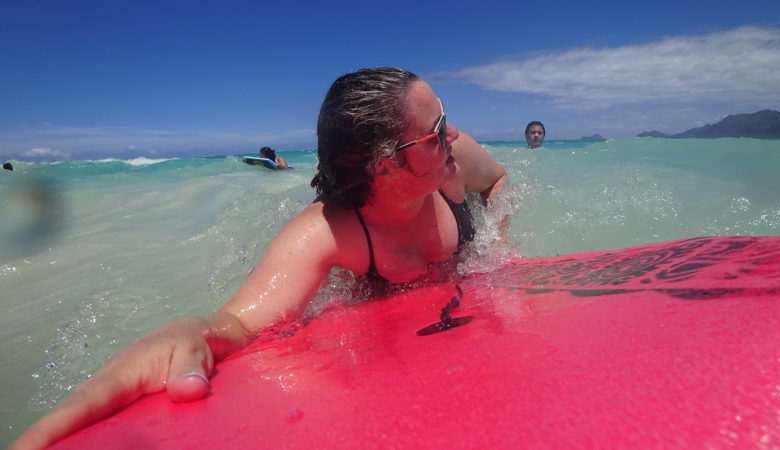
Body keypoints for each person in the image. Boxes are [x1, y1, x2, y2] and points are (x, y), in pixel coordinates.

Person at [11, 67, 507, 449]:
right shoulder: (329, 234)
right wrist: (183, 334)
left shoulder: (455, 161)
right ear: (385, 165)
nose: (453, 132)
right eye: (435, 129)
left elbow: (501, 183)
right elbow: (239, 323)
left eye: (442, 117)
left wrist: (500, 247)